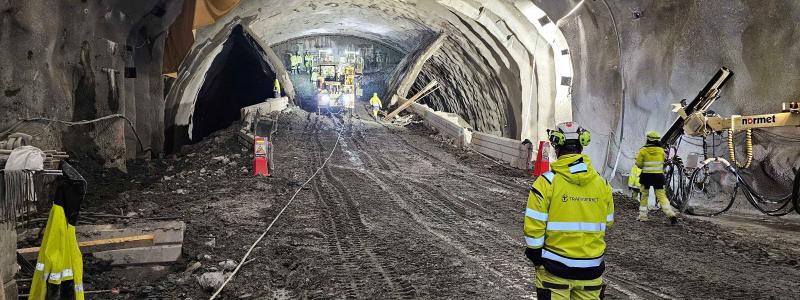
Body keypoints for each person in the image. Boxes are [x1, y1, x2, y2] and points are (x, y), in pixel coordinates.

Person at [524, 122, 613, 300]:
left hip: (555, 271)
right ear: (581, 146)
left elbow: (534, 229)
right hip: (591, 272)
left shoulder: (546, 183)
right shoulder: (602, 184)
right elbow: (608, 220)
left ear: (556, 147)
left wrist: (537, 257)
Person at [635, 131, 677, 224]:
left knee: (644, 196)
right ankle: (670, 214)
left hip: (646, 176)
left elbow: (638, 164)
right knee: (661, 196)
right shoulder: (661, 151)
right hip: (658, 176)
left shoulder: (643, 150)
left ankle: (643, 216)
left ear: (648, 139)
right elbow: (665, 161)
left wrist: (643, 166)